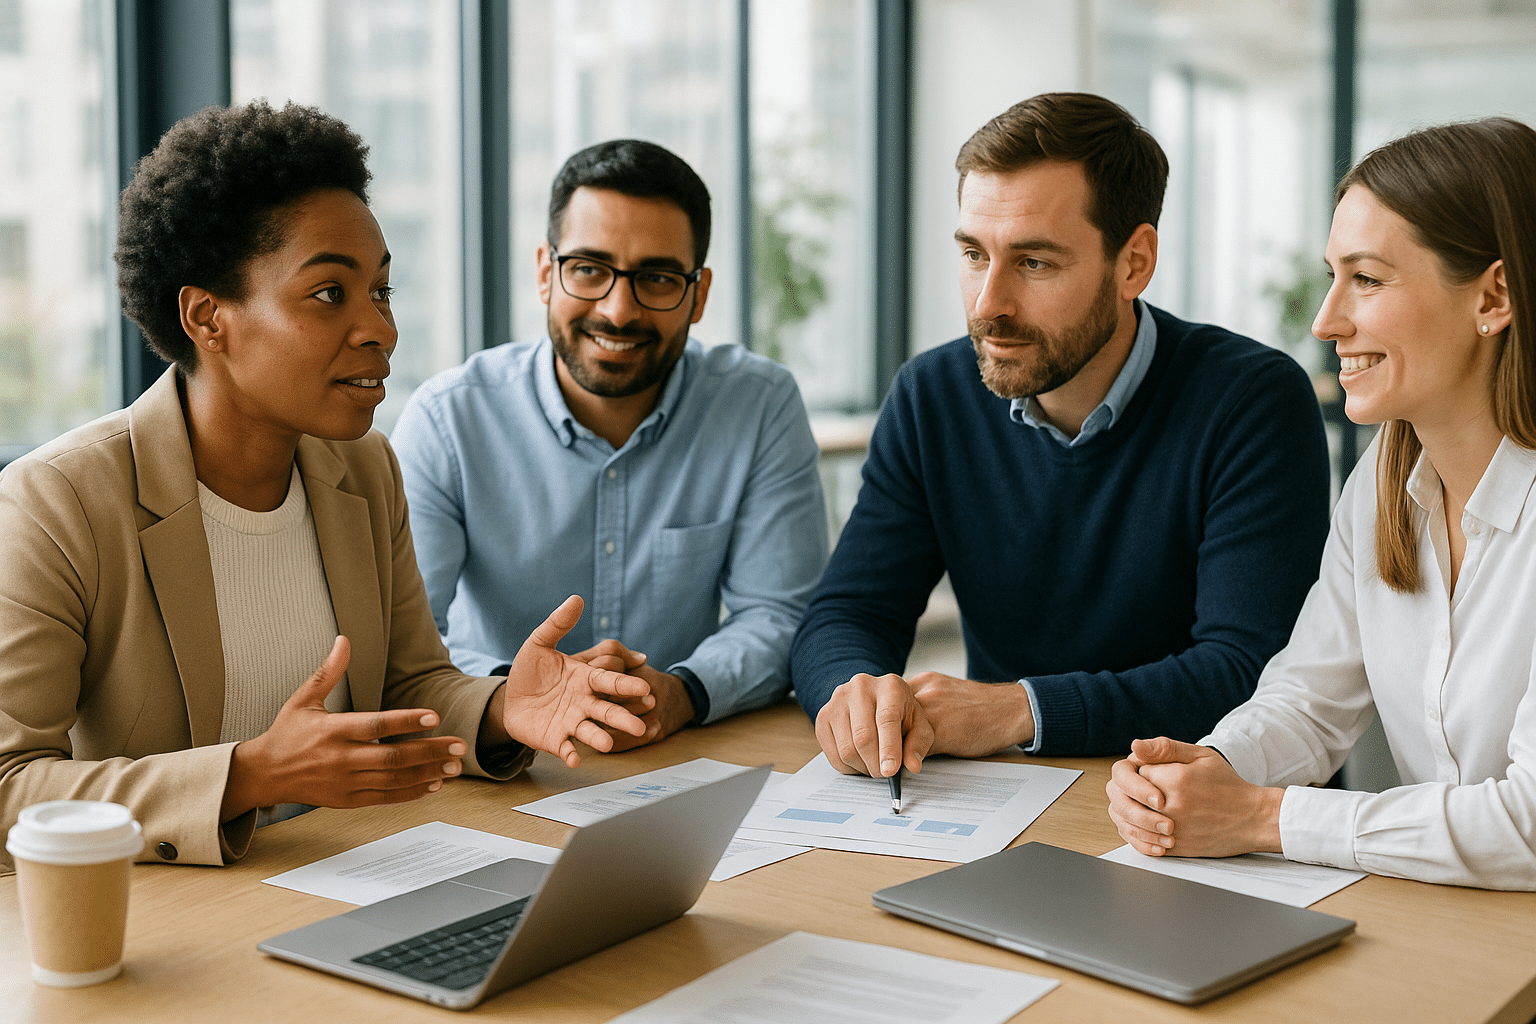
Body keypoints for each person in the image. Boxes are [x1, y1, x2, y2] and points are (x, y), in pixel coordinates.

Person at [0, 101, 653, 872]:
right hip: (168, 919)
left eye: (382, 291)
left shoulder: (364, 469)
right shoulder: (57, 502)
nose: (381, 329)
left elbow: (409, 686)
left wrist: (504, 708)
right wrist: (250, 775)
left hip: (348, 875)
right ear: (208, 318)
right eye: (329, 294)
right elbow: (11, 785)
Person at [792, 92, 1331, 778]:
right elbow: (847, 612)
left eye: (1034, 263)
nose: (988, 304)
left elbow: (1248, 670)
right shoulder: (931, 396)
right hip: (1009, 792)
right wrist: (855, 694)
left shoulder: (1251, 401)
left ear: (1133, 263)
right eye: (974, 254)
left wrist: (1021, 710)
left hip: (1201, 800)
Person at [1106, 117, 1536, 891]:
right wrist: (1208, 768)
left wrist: (1260, 817)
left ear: (1493, 295)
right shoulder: (1381, 483)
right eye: (1333, 276)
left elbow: (1528, 822)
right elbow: (1309, 700)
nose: (1326, 320)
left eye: (1366, 279)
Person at [391, 139, 827, 749]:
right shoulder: (448, 420)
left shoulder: (759, 407)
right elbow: (406, 643)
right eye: (589, 269)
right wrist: (524, 699)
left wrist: (682, 692)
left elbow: (780, 614)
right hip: (497, 758)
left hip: (676, 750)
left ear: (699, 294)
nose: (619, 311)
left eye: (657, 278)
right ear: (546, 273)